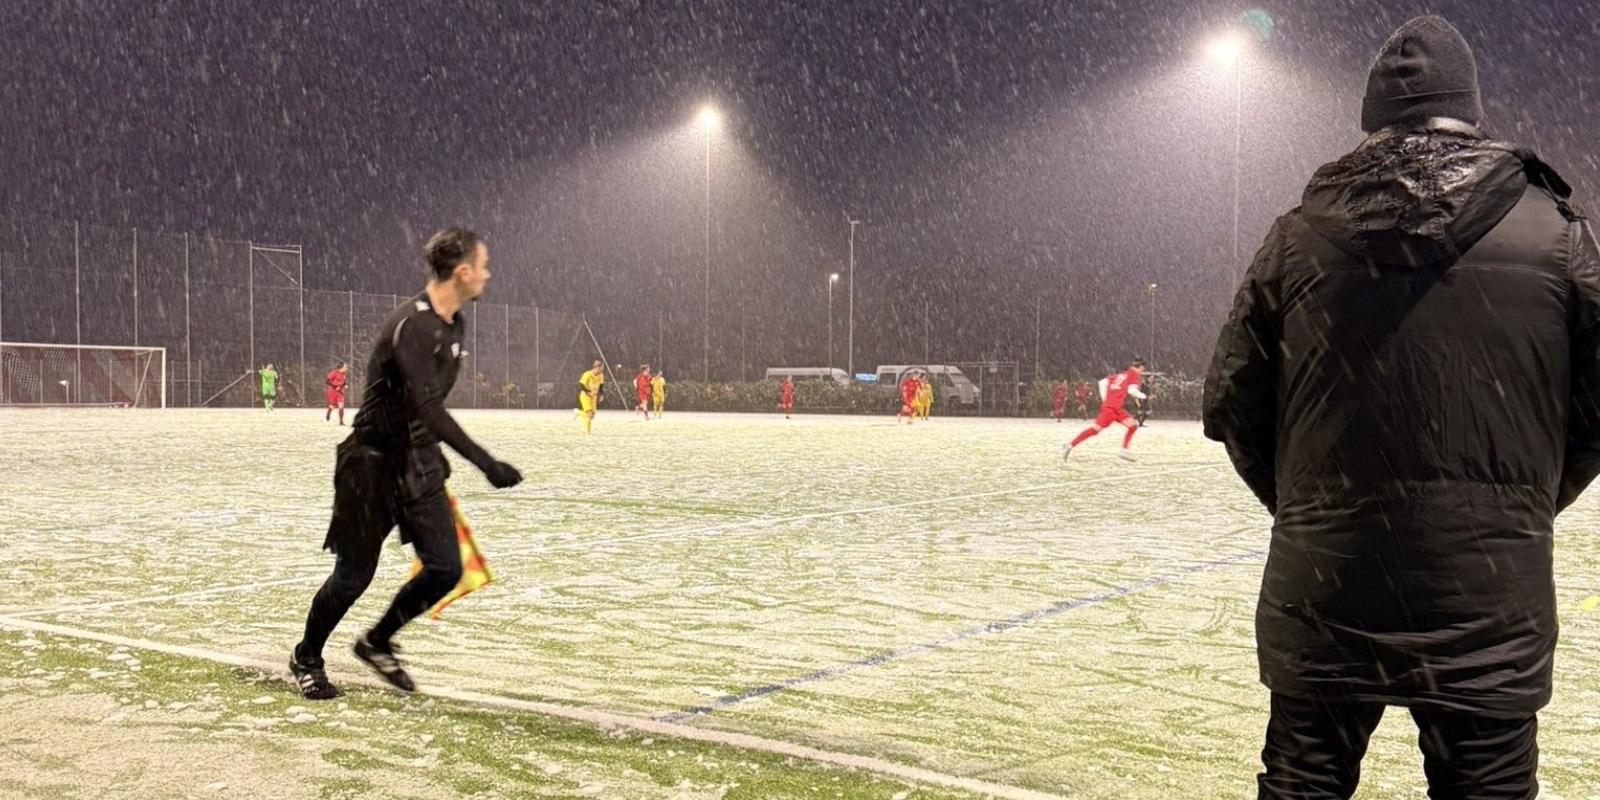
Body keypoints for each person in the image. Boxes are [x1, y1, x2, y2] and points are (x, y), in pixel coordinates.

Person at [1202, 16, 1600, 798]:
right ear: (1469, 112)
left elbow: (1234, 401)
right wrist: (1517, 503)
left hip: (1328, 580)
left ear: (1372, 119)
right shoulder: (1551, 234)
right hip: (1485, 595)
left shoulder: (1300, 236)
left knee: (1304, 783)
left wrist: (1311, 506)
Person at [289, 227, 523, 700]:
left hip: (419, 463)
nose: (487, 275)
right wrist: (486, 462)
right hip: (371, 465)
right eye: (483, 266)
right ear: (462, 272)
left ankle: (377, 642)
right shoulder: (413, 326)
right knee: (353, 576)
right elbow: (427, 406)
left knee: (445, 568)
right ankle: (306, 656)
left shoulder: (454, 324)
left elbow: (424, 412)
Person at [1063, 359, 1144, 462]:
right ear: (1141, 367)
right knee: (1095, 430)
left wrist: (1105, 400)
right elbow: (1131, 390)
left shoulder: (1121, 375)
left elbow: (1102, 382)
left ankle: (1123, 451)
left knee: (1133, 425)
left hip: (1116, 408)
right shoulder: (1134, 374)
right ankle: (1069, 445)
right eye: (1142, 369)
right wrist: (1144, 396)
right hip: (1111, 409)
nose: (1141, 372)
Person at [577, 360, 604, 434]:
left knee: (592, 416)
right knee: (589, 414)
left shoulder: (601, 375)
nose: (602, 370)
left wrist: (601, 395)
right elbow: (581, 385)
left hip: (593, 397)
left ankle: (578, 413)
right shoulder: (587, 374)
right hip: (585, 396)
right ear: (596, 367)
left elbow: (601, 386)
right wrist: (588, 392)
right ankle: (587, 432)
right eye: (601, 368)